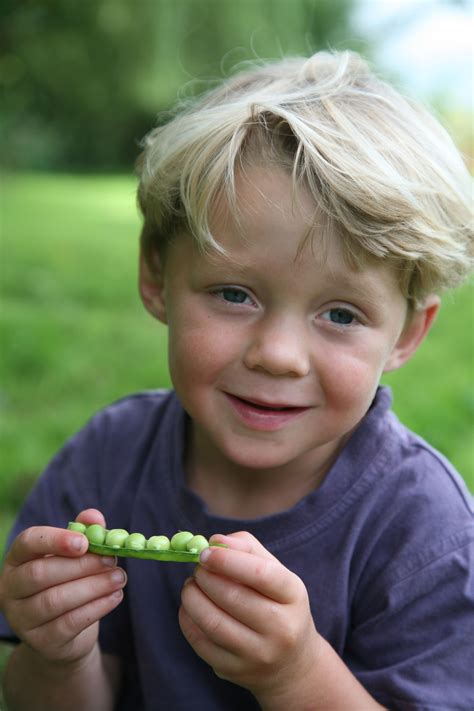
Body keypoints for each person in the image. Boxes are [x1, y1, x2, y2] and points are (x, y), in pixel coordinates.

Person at [0, 50, 473, 711]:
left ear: (406, 334)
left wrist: (298, 675)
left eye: (340, 313)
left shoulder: (425, 534)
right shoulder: (105, 462)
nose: (279, 354)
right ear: (157, 275)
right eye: (233, 293)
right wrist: (56, 650)